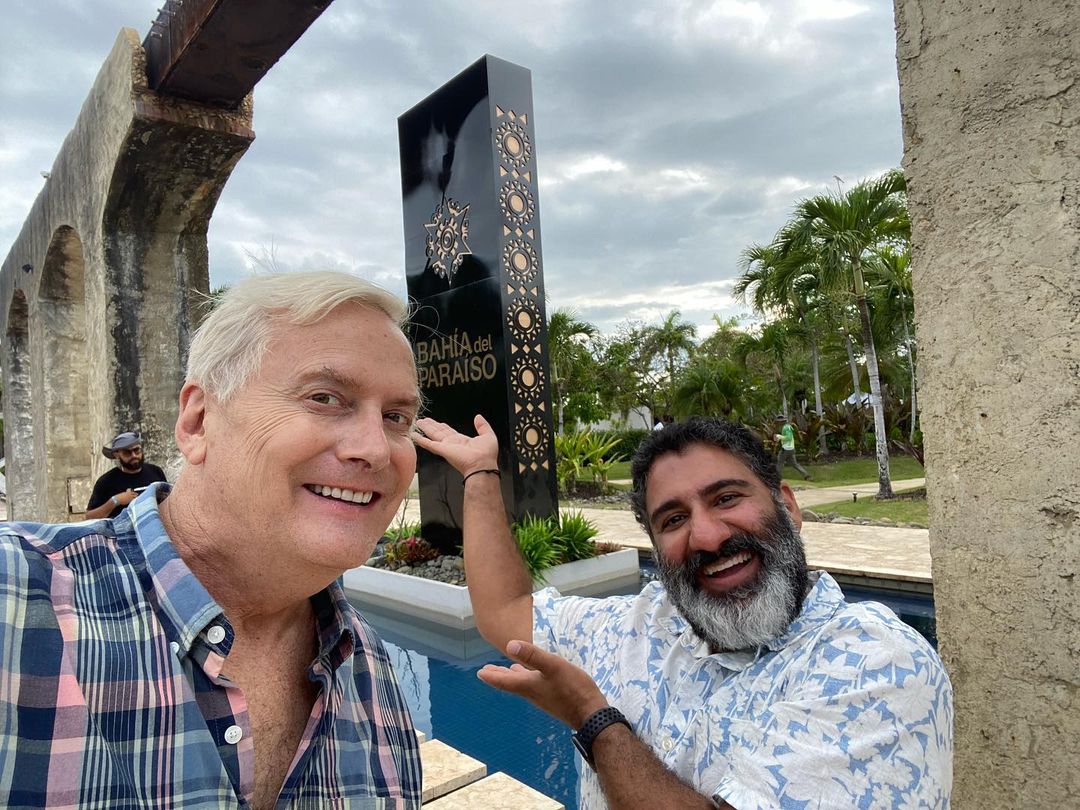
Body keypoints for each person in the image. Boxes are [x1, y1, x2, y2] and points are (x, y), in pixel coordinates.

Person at [0, 272, 423, 808]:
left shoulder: (370, 668)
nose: (377, 450)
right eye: (324, 398)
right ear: (198, 422)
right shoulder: (18, 602)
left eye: (396, 417)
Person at [415, 415, 952, 809]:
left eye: (727, 498)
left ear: (787, 506)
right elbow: (507, 611)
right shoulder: (645, 624)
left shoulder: (875, 662)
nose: (708, 536)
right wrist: (480, 474)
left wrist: (595, 720)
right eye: (673, 520)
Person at [84, 430, 168, 519]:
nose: (134, 455)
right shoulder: (106, 482)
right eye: (127, 452)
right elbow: (89, 517)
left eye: (136, 450)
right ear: (117, 455)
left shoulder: (156, 471)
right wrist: (115, 501)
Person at [774, 413, 811, 480]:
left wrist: (779, 436)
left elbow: (789, 437)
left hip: (786, 449)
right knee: (794, 464)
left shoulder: (786, 428)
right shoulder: (787, 427)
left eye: (779, 422)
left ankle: (777, 477)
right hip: (791, 449)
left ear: (781, 422)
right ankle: (807, 476)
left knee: (780, 463)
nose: (778, 423)